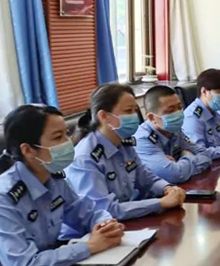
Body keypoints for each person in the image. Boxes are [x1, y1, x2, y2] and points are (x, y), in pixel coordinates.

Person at [0, 105, 124, 266]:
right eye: (58, 138)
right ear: (28, 150)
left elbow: (87, 213)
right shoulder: (1, 198)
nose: (68, 142)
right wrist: (90, 246)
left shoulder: (52, 177)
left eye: (67, 134)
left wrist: (106, 225)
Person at [67, 84, 186, 224]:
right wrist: (160, 203)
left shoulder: (124, 143)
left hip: (127, 222)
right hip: (95, 230)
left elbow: (146, 179)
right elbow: (104, 210)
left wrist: (167, 188)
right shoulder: (85, 158)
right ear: (104, 116)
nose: (135, 116)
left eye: (135, 110)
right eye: (128, 111)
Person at [135, 85, 212, 184]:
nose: (178, 113)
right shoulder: (142, 140)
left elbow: (205, 156)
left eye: (180, 107)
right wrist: (187, 155)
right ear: (152, 118)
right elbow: (174, 175)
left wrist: (178, 165)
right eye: (170, 111)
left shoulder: (174, 129)